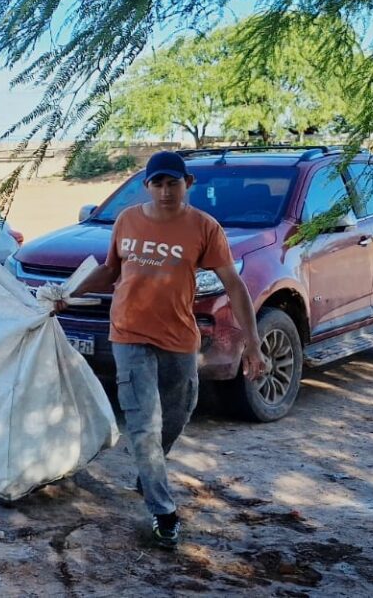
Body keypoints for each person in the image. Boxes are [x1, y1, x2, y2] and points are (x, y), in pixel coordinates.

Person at [57, 151, 264, 548]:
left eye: (173, 183)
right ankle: (163, 511)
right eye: (158, 184)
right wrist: (69, 293)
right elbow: (110, 270)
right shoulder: (127, 220)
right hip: (128, 332)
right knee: (144, 425)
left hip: (178, 337)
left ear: (188, 183)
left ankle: (148, 472)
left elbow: (234, 286)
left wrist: (252, 343)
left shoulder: (205, 228)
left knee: (179, 410)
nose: (166, 191)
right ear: (147, 186)